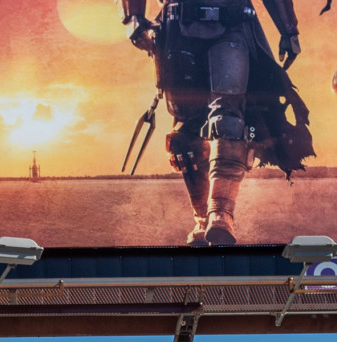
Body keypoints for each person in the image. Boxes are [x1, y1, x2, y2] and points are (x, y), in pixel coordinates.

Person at [121, 0, 318, 245]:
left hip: (230, 26)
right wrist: (133, 18)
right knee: (185, 134)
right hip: (176, 30)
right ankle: (203, 219)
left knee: (227, 120)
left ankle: (221, 214)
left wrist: (289, 30)